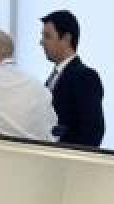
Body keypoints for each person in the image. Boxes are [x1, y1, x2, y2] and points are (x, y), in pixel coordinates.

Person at [39, 10, 105, 147]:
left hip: (68, 164)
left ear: (66, 39)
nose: (41, 42)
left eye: (47, 36)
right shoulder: (52, 78)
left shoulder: (85, 77)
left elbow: (93, 132)